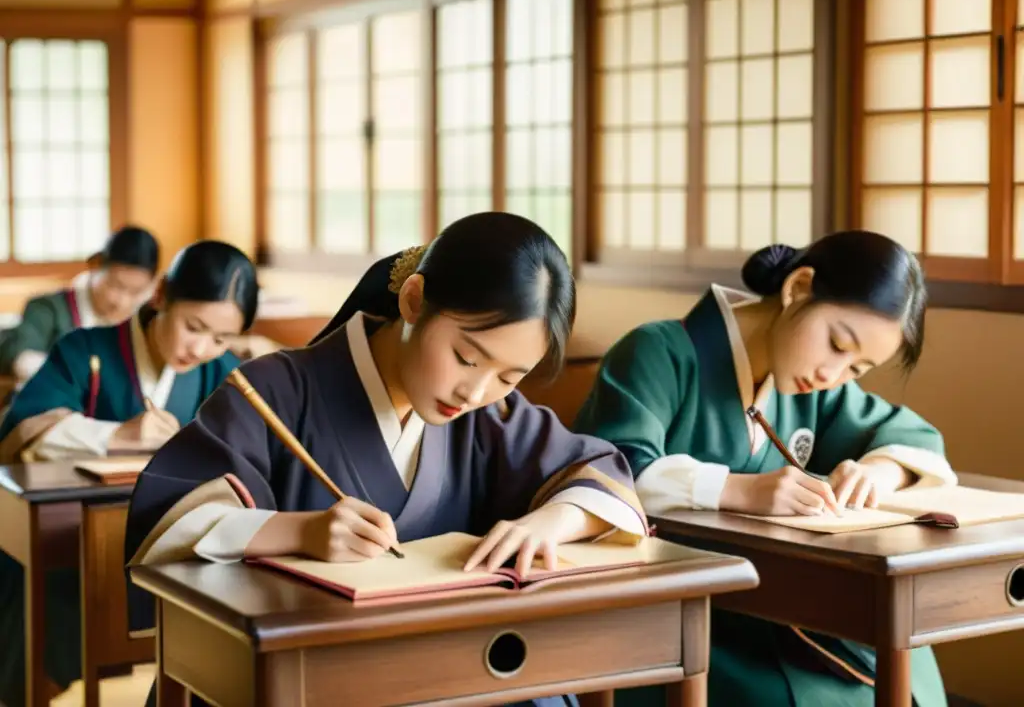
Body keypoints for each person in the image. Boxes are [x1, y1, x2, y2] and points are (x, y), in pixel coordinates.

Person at [124, 212, 649, 707]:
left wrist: (549, 522)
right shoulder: (276, 390)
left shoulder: (491, 415)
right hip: (306, 675)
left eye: (510, 377)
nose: (476, 390)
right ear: (415, 301)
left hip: (442, 668)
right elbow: (170, 518)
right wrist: (298, 532)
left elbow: (599, 472)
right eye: (467, 357)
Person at [573, 232, 956, 707]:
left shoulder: (812, 386)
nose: (832, 374)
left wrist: (878, 471)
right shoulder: (657, 352)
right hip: (674, 615)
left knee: (904, 650)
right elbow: (610, 475)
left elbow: (916, 438)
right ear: (798, 288)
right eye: (837, 344)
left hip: (774, 606)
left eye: (857, 369)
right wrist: (738, 490)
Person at [0, 239, 259, 707]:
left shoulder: (222, 370)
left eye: (220, 339)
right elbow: (20, 430)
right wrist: (117, 434)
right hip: (74, 539)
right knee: (40, 601)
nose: (201, 348)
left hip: (173, 542)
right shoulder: (85, 349)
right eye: (193, 327)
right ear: (161, 296)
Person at [0, 225, 161, 386]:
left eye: (136, 292)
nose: (122, 301)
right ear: (95, 265)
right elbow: (23, 360)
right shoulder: (49, 308)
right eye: (115, 285)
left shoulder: (146, 318)